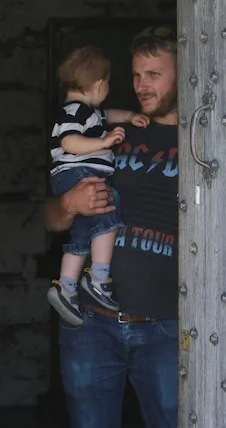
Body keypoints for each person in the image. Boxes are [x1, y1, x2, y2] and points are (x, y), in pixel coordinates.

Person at [45, 26, 180, 428]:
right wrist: (69, 203)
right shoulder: (106, 132)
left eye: (154, 75)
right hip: (91, 323)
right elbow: (50, 218)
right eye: (137, 75)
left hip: (165, 326)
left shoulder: (202, 139)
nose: (142, 86)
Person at [47, 45, 150, 327]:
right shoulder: (74, 111)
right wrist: (104, 143)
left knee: (83, 230)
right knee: (108, 208)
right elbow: (69, 142)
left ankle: (66, 286)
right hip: (79, 173)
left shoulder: (88, 112)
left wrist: (129, 116)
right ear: (99, 84)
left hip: (77, 174)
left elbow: (108, 115)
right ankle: (99, 276)